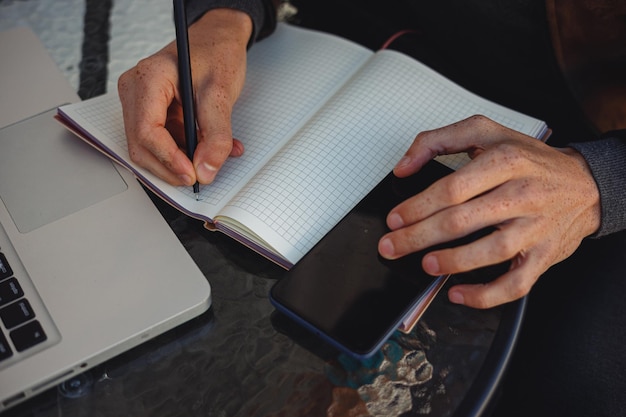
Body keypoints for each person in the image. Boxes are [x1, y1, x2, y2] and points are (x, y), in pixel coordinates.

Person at [117, 0, 626, 415]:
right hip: (347, 36)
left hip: (586, 123)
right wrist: (223, 16)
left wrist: (599, 181)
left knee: (574, 385)